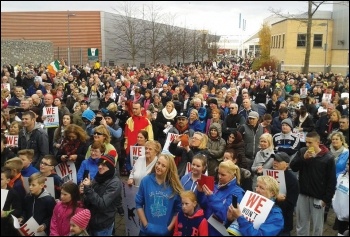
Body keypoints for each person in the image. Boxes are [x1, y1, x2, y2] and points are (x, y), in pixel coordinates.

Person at [290, 131, 336, 236]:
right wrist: (303, 159)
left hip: (318, 196)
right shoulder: (302, 151)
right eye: (306, 142)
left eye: (310, 143)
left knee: (317, 226)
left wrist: (326, 199)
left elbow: (331, 180)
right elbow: (293, 167)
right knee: (301, 223)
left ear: (318, 142)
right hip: (303, 193)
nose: (307, 145)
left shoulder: (328, 157)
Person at [135, 153, 183, 236]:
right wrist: (146, 225)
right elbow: (138, 204)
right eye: (158, 163)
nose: (159, 167)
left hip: (165, 232)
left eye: (163, 166)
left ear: (169, 169)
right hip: (146, 232)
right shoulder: (146, 181)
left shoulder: (174, 186)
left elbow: (178, 210)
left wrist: (169, 228)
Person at [197, 160, 245, 236]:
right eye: (218, 173)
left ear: (232, 175)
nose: (219, 177)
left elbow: (224, 215)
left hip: (218, 232)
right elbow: (203, 205)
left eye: (223, 175)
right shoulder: (215, 185)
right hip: (205, 229)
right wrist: (200, 193)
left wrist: (211, 196)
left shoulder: (237, 192)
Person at [80, 154, 121, 236]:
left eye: (104, 165)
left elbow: (102, 204)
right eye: (99, 164)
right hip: (92, 221)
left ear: (110, 168)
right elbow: (89, 199)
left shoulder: (115, 183)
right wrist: (83, 193)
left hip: (103, 224)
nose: (99, 167)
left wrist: (88, 189)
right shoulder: (99, 176)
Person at [272, 152, 299, 236]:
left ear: (286, 165)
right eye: (274, 160)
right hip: (269, 220)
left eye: (278, 161)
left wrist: (276, 199)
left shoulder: (292, 180)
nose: (275, 162)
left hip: (283, 221)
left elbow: (291, 204)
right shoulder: (269, 174)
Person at [1, 167, 22, 236]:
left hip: (5, 227)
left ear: (7, 180)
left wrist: (6, 213)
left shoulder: (13, 193)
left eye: (1, 179)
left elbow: (18, 210)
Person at [332, 161, 349, 237]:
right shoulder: (341, 177)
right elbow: (336, 194)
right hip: (341, 216)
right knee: (341, 232)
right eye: (348, 164)